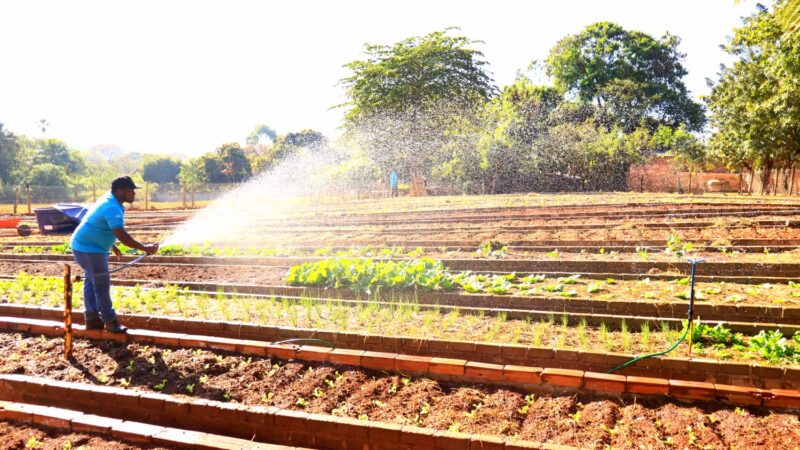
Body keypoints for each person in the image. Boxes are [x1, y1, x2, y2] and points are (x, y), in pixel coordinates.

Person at [70, 176, 159, 333]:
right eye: (131, 190)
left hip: (86, 246)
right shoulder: (112, 207)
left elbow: (98, 224)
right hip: (89, 249)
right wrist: (145, 248)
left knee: (91, 280)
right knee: (101, 285)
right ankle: (110, 321)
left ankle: (92, 319)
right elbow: (122, 235)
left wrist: (112, 245)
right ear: (120, 191)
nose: (134, 193)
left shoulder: (110, 200)